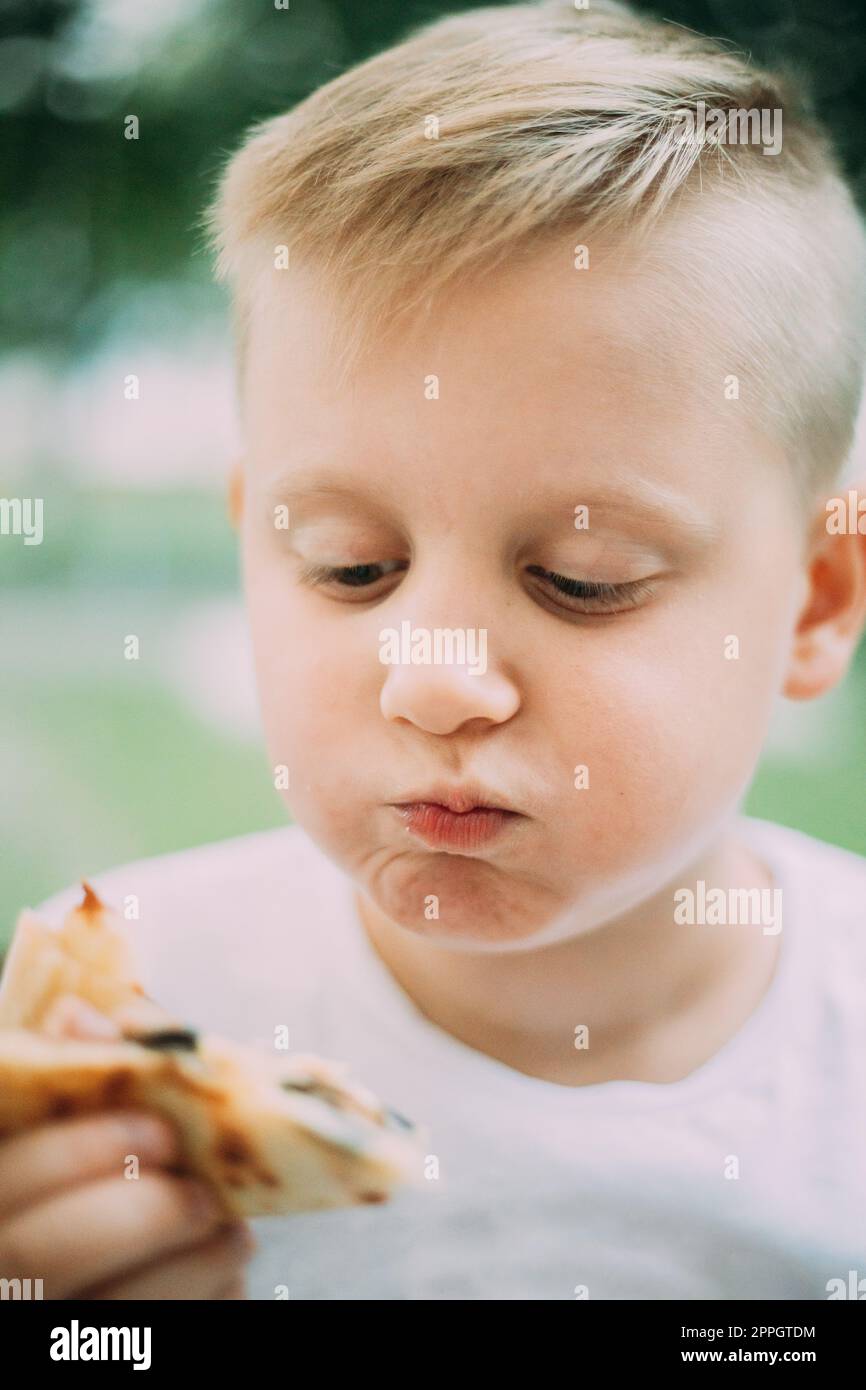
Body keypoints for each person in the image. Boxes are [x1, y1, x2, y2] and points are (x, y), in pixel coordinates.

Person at [4, 0, 865, 1299]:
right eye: (350, 566)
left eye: (582, 580)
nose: (433, 674)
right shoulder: (122, 1002)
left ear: (811, 600)